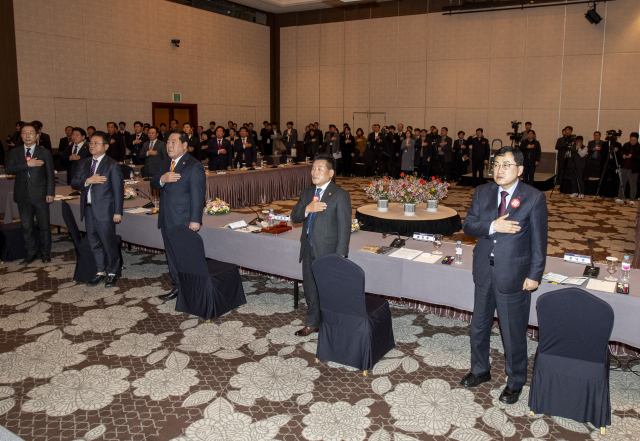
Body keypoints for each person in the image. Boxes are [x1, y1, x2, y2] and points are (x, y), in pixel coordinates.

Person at [461, 146, 548, 405]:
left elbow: (539, 242)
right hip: (484, 272)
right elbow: (468, 224)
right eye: (496, 164)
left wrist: (535, 274)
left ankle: (515, 381)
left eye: (506, 165)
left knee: (512, 332)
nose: (499, 170)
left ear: (520, 169)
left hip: (515, 274)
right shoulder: (482, 192)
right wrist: (492, 226)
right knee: (478, 326)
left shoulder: (533, 198)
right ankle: (480, 370)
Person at [290, 154, 351, 336]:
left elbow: (344, 228)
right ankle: (312, 322)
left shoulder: (340, 195)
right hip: (308, 248)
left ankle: (332, 325)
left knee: (328, 290)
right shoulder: (307, 193)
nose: (314, 172)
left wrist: (340, 255)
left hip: (328, 251)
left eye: (319, 169)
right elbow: (294, 217)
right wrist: (307, 209)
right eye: (313, 169)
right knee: (310, 288)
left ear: (330, 173)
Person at [151, 131, 206, 301]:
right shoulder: (166, 162)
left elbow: (198, 195)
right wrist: (163, 179)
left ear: (184, 145)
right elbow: (153, 182)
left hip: (183, 219)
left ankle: (190, 288)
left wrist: (195, 220)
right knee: (171, 254)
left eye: (173, 142)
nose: (169, 145)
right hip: (166, 217)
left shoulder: (194, 165)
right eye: (168, 142)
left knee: (184, 255)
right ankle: (177, 285)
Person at [70, 131, 124, 288]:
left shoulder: (112, 164)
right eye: (90, 143)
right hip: (88, 209)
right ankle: (100, 271)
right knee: (94, 242)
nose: (92, 146)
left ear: (105, 146)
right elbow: (74, 183)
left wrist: (117, 212)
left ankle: (113, 272)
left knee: (108, 243)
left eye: (96, 143)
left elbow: (118, 190)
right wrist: (88, 180)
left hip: (105, 210)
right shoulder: (84, 162)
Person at [5, 122, 55, 264]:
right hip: (22, 195)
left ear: (37, 135)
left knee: (44, 226)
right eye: (24, 133)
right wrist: (27, 164)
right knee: (26, 226)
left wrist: (50, 192)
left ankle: (45, 252)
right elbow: (9, 169)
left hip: (40, 195)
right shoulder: (15, 152)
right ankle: (31, 252)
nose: (28, 136)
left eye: (31, 133)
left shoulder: (44, 152)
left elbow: (50, 175)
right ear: (21, 136)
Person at [616, 132, 640, 205]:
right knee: (622, 183)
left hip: (634, 168)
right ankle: (620, 197)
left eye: (634, 140)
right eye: (631, 140)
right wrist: (622, 155)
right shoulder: (626, 145)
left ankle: (632, 199)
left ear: (637, 140)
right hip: (624, 167)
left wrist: (632, 156)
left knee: (633, 184)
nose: (632, 141)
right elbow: (620, 152)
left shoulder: (639, 147)